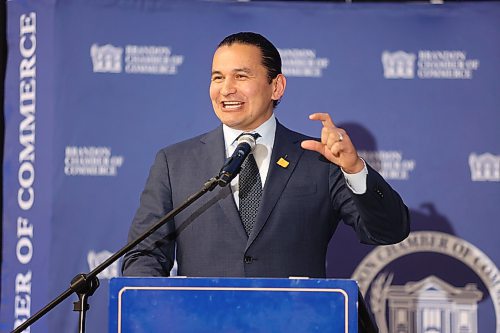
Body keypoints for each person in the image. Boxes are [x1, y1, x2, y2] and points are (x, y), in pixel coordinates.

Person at [121, 32, 409, 278]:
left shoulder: (318, 160)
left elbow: (389, 232)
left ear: (276, 86)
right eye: (217, 77)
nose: (226, 89)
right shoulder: (175, 163)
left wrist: (354, 168)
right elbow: (143, 256)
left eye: (241, 76)